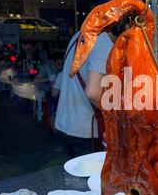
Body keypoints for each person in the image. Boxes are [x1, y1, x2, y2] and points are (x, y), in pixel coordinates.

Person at [55, 10, 130, 158]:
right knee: (91, 176)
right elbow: (93, 92)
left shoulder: (79, 35)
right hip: (85, 130)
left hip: (65, 123)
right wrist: (118, 115)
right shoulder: (103, 43)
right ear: (120, 24)